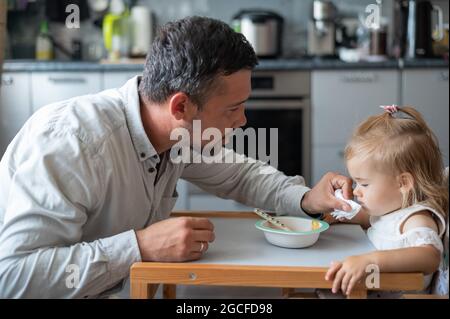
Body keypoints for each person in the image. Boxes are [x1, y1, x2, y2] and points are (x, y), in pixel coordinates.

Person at [0, 16, 352, 298]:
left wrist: (306, 199)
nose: (243, 120)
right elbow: (13, 280)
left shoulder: (175, 134)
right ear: (180, 105)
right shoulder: (72, 142)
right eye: (233, 108)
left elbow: (240, 176)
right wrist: (138, 246)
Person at [324, 105, 448, 297]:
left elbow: (429, 256)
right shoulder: (390, 210)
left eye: (364, 184)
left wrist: (370, 261)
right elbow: (368, 218)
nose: (356, 190)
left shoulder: (416, 218)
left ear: (403, 183)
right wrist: (339, 213)